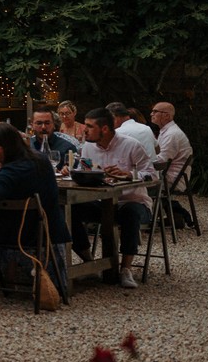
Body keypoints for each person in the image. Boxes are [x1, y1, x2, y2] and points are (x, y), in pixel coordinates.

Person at [0, 123, 71, 287]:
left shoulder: (14, 169)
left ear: (7, 146)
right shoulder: (40, 159)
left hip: (18, 233)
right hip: (50, 228)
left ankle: (3, 278)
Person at [71, 108, 154, 289]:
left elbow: (153, 176)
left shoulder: (131, 145)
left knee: (130, 213)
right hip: (102, 202)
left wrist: (129, 175)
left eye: (89, 126)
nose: (84, 130)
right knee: (68, 210)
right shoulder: (88, 147)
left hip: (132, 201)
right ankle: (90, 262)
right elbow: (85, 169)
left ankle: (125, 269)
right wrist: (78, 172)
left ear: (105, 129)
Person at [151, 102, 193, 196]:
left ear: (166, 116)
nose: (151, 114)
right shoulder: (167, 131)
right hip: (169, 176)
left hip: (171, 179)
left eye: (155, 111)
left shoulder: (172, 134)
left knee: (135, 185)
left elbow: (162, 161)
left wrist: (141, 161)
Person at [29, 106, 78, 171]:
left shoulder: (68, 148)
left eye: (47, 123)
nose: (43, 127)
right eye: (39, 123)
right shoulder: (26, 146)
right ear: (32, 125)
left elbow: (73, 172)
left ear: (54, 125)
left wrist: (66, 170)